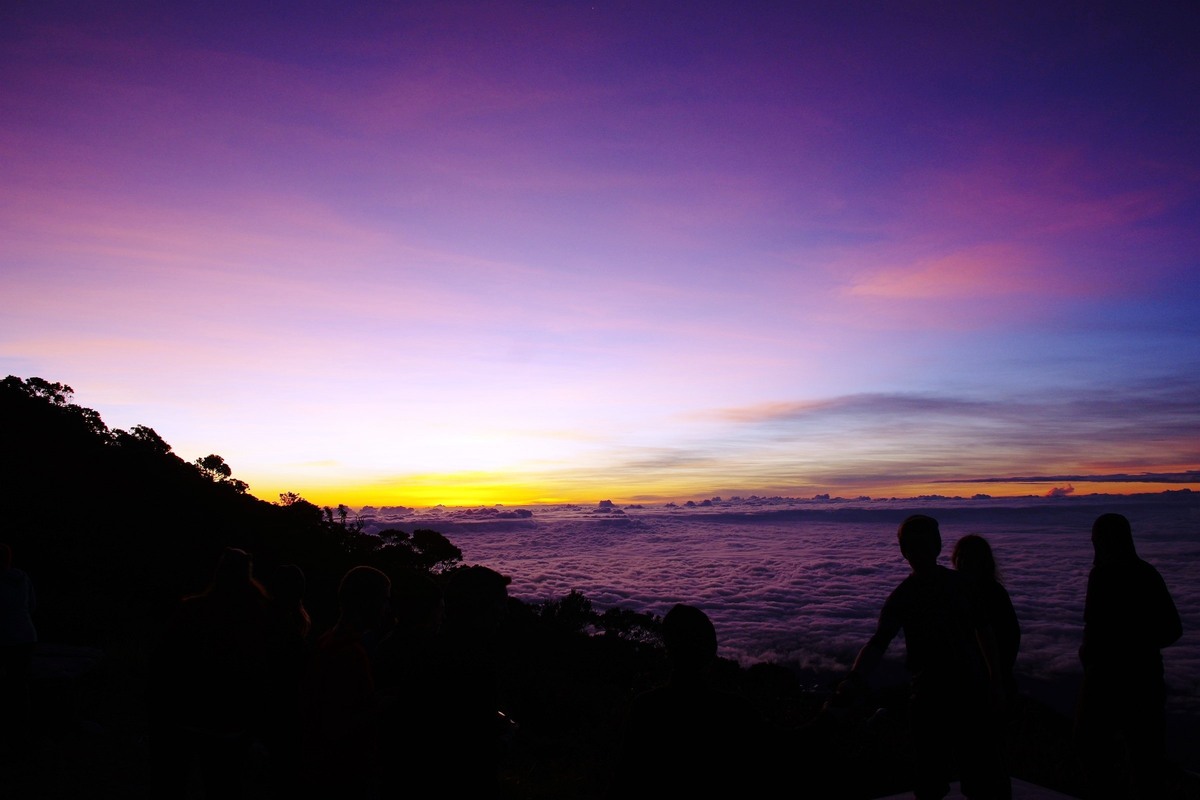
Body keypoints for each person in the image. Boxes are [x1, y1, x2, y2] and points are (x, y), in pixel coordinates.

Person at [834, 515, 1004, 800]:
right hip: (960, 693)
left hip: (937, 697)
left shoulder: (905, 596)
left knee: (936, 779)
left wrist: (852, 680)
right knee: (969, 777)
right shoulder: (958, 586)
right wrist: (995, 681)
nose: (918, 551)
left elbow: (878, 643)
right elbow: (984, 633)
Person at [1074, 513, 1182, 799]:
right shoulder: (1147, 573)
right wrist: (1142, 646)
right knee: (1146, 757)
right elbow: (1172, 629)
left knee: (1092, 748)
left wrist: (1099, 655)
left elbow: (1094, 627)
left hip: (1105, 680)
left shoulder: (1102, 575)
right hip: (1145, 679)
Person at [614, 603, 770, 798]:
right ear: (711, 651)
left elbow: (623, 783)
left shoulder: (646, 709)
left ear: (668, 650)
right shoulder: (737, 712)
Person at [301, 565, 393, 800]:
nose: (386, 609)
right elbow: (338, 722)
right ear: (366, 603)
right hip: (344, 769)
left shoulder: (327, 639)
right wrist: (383, 706)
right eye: (383, 600)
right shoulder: (349, 652)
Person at [952, 534, 1020, 799]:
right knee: (983, 758)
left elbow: (1005, 640)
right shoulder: (985, 593)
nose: (963, 562)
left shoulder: (981, 595)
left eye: (968, 557)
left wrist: (994, 680)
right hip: (986, 686)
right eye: (961, 556)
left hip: (985, 689)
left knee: (983, 758)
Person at [0, 543, 38, 755]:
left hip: (6, 639)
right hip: (25, 635)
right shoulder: (22, 578)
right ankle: (21, 734)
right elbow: (32, 605)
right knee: (20, 686)